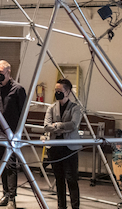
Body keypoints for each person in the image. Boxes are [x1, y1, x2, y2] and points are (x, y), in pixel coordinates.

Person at [0, 60, 26, 209]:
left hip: (12, 134)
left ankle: (12, 198)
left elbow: (23, 112)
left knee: (11, 165)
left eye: (1, 73)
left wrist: (18, 132)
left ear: (8, 72)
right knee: (2, 165)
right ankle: (5, 195)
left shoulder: (18, 89)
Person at [44, 78, 82, 209]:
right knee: (59, 180)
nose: (57, 93)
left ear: (68, 92)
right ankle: (61, 207)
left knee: (71, 179)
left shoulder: (75, 108)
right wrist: (59, 127)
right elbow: (46, 126)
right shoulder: (51, 108)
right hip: (54, 148)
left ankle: (75, 206)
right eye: (56, 90)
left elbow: (73, 124)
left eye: (59, 91)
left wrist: (57, 125)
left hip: (69, 149)